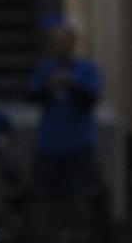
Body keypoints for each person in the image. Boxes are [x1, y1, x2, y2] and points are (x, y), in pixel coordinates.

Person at [29, 22, 102, 202]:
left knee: (83, 195)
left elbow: (91, 99)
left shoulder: (86, 68)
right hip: (49, 144)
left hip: (78, 144)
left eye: (63, 41)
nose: (60, 46)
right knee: (47, 197)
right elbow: (33, 96)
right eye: (56, 41)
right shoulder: (46, 68)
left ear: (72, 42)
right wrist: (48, 86)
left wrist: (70, 84)